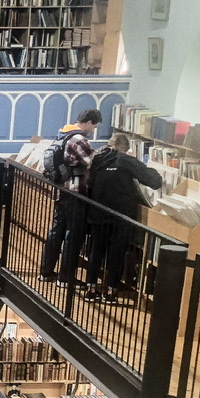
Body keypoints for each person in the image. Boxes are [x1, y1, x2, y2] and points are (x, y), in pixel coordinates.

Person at [83, 132, 162, 303]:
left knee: (97, 250)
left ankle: (90, 288)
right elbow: (155, 181)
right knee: (117, 252)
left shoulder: (97, 159)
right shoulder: (126, 161)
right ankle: (110, 291)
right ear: (126, 148)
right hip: (121, 215)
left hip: (98, 212)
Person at [38, 108, 103, 284]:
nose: (93, 130)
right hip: (75, 192)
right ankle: (65, 277)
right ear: (88, 122)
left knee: (56, 232)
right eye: (94, 126)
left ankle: (46, 272)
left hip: (60, 191)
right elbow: (92, 161)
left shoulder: (62, 134)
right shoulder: (79, 139)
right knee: (73, 234)